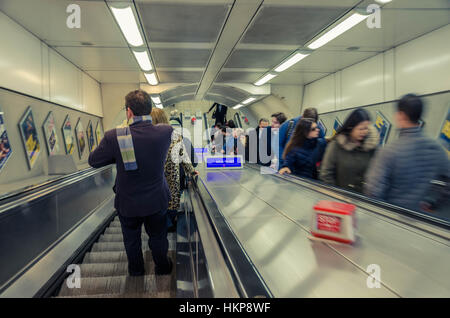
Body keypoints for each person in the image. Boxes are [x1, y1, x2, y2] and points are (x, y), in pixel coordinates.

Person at [88, 90, 173, 276]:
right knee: (158, 237)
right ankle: (163, 268)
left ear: (128, 112)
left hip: (128, 202)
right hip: (156, 199)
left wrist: (116, 155)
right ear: (150, 109)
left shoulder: (114, 136)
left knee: (131, 240)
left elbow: (93, 161)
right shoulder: (165, 132)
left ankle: (136, 272)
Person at [364, 94, 449, 212]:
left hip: (394, 221)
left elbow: (373, 192)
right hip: (426, 222)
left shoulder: (388, 151)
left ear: (400, 115)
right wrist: (431, 201)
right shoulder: (437, 148)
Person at [151, 108, 197, 232]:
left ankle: (163, 227)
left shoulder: (147, 137)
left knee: (157, 211)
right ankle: (169, 224)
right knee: (170, 205)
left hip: (155, 181)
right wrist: (192, 171)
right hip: (172, 180)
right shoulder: (175, 136)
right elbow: (184, 157)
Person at [319, 109, 379, 193]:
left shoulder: (371, 147)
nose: (364, 132)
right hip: (339, 199)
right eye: (361, 129)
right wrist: (336, 195)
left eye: (366, 128)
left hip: (363, 200)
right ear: (351, 127)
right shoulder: (336, 146)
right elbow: (326, 174)